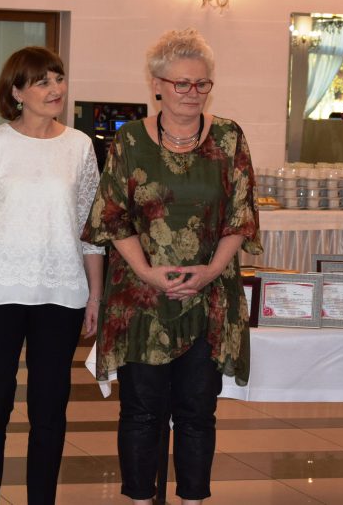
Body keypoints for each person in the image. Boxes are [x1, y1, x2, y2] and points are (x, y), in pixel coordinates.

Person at [82, 28, 261, 505]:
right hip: (141, 300)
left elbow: (241, 216)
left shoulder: (229, 137)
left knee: (198, 413)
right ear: (156, 84)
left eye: (202, 83)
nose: (192, 92)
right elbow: (111, 216)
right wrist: (146, 272)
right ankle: (140, 500)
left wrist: (209, 271)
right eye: (181, 83)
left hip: (210, 296)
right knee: (141, 413)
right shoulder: (129, 140)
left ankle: (192, 500)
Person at [0, 46, 103, 505]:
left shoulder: (80, 146)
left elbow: (90, 229)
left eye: (58, 78)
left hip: (62, 293)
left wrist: (95, 295)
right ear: (17, 92)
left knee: (50, 411)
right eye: (42, 81)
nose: (55, 89)